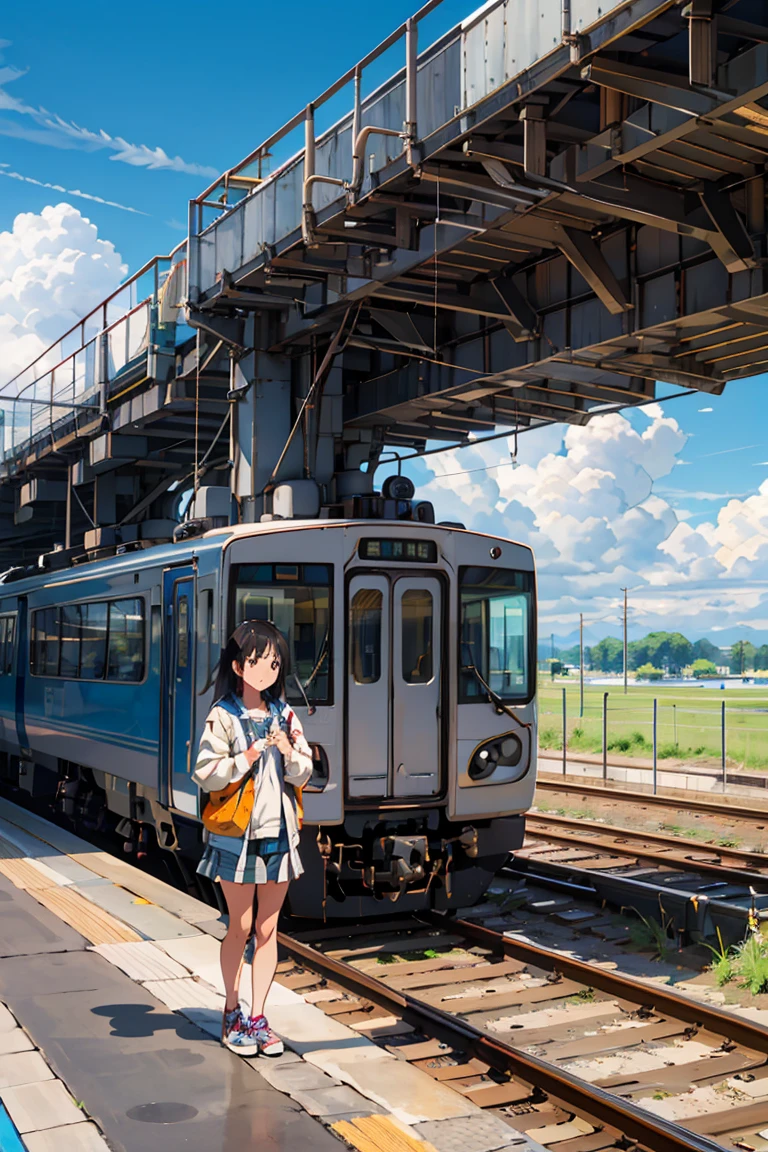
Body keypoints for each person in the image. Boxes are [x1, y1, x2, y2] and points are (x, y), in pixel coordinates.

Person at [192, 620, 312, 1056]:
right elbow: (204, 772)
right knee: (239, 926)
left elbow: (305, 770)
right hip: (236, 838)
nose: (268, 671)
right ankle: (231, 1011)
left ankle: (258, 1017)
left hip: (280, 834)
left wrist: (284, 749)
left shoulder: (286, 715)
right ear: (239, 666)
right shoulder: (222, 715)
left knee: (267, 928)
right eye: (260, 662)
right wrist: (247, 755)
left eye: (275, 663)